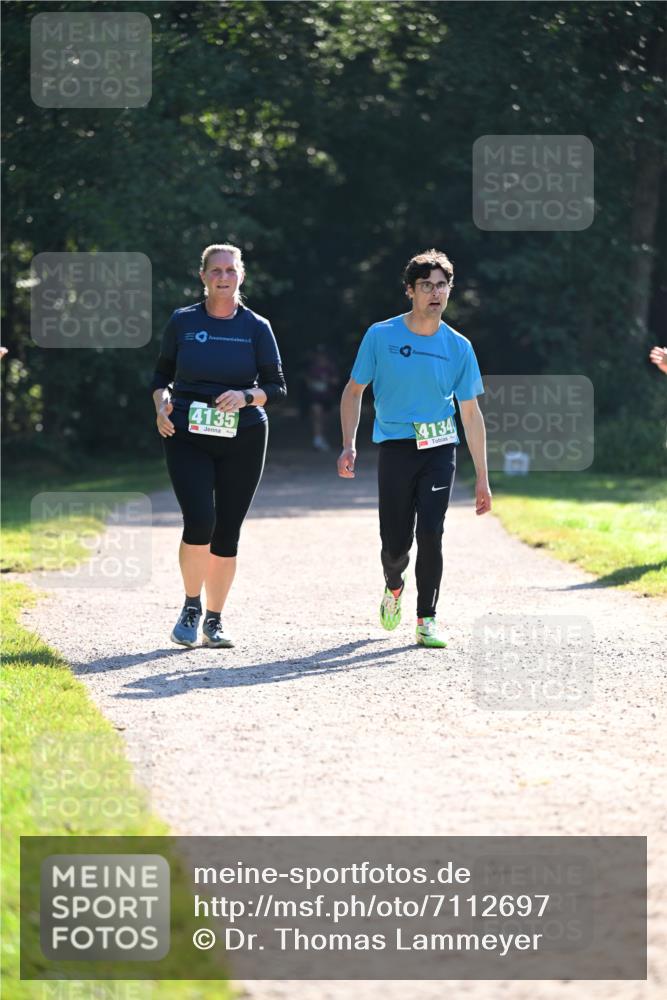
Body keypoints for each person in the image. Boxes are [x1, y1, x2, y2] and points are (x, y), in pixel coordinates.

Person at [337, 249, 491, 649]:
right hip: (396, 447)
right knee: (394, 543)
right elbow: (354, 392)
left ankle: (427, 619)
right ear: (410, 291)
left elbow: (471, 415)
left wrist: (483, 481)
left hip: (440, 448)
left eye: (442, 285)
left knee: (432, 532)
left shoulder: (459, 347)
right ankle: (393, 583)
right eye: (426, 286)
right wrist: (348, 444)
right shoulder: (381, 335)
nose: (435, 293)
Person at [152, 244, 286, 648]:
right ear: (203, 276)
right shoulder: (183, 321)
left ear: (241, 275)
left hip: (243, 436)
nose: (223, 277)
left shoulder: (257, 327)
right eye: (216, 271)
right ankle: (191, 606)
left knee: (227, 530)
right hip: (186, 433)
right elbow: (161, 375)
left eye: (230, 270)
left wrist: (246, 397)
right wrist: (160, 407)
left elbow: (276, 388)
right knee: (199, 521)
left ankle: (215, 619)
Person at [304, 344, 339, 451]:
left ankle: (322, 438)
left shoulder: (331, 367)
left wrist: (327, 381)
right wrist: (314, 384)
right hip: (315, 396)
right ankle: (317, 439)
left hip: (327, 397)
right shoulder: (312, 368)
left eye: (322, 355)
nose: (321, 357)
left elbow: (336, 381)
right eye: (319, 355)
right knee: (317, 415)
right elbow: (307, 381)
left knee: (325, 419)